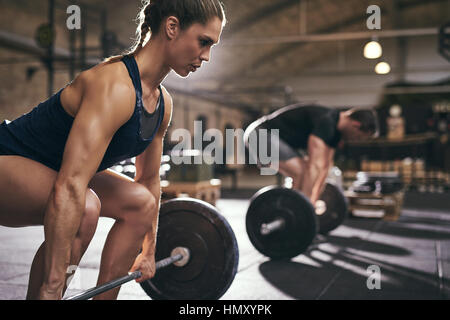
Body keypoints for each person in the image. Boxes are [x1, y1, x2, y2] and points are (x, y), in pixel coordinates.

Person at [0, 0, 226, 300]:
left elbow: (148, 181)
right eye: (204, 41)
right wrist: (53, 286)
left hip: (57, 171)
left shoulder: (162, 104)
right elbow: (70, 186)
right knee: (85, 208)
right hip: (10, 158)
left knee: (141, 202)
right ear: (172, 27)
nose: (207, 56)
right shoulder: (114, 86)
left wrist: (148, 251)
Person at [244, 103, 378, 206]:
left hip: (278, 139)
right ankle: (291, 210)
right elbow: (314, 167)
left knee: (304, 174)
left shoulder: (336, 134)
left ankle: (290, 210)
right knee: (302, 172)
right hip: (259, 134)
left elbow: (324, 169)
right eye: (359, 137)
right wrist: (307, 207)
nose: (356, 140)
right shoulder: (326, 121)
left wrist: (312, 201)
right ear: (356, 125)